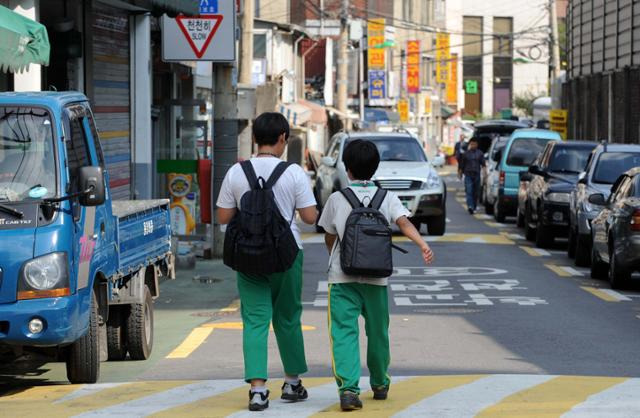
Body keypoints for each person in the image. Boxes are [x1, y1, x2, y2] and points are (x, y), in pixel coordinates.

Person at [317, 139, 434, 411]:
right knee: (378, 332)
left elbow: (329, 236)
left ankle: (348, 390)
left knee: (344, 333)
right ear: (376, 167)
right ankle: (380, 383)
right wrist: (423, 244)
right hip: (377, 277)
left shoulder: (337, 198)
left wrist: (335, 257)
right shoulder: (387, 197)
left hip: (342, 277)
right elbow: (404, 223)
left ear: (347, 168)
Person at [216, 112, 318, 411]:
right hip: (286, 254)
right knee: (287, 318)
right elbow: (310, 217)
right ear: (283, 138)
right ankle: (292, 383)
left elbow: (223, 216)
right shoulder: (294, 172)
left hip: (247, 255)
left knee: (254, 320)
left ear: (255, 138)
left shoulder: (237, 172)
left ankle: (258, 390)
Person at [458, 137, 486, 214]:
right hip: (468, 175)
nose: (472, 145)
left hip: (477, 175)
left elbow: (483, 164)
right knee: (469, 191)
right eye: (471, 144)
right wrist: (460, 173)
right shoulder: (466, 154)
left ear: (477, 144)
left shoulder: (480, 154)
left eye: (474, 144)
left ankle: (474, 206)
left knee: (476, 192)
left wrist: (485, 174)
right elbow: (461, 165)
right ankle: (470, 206)